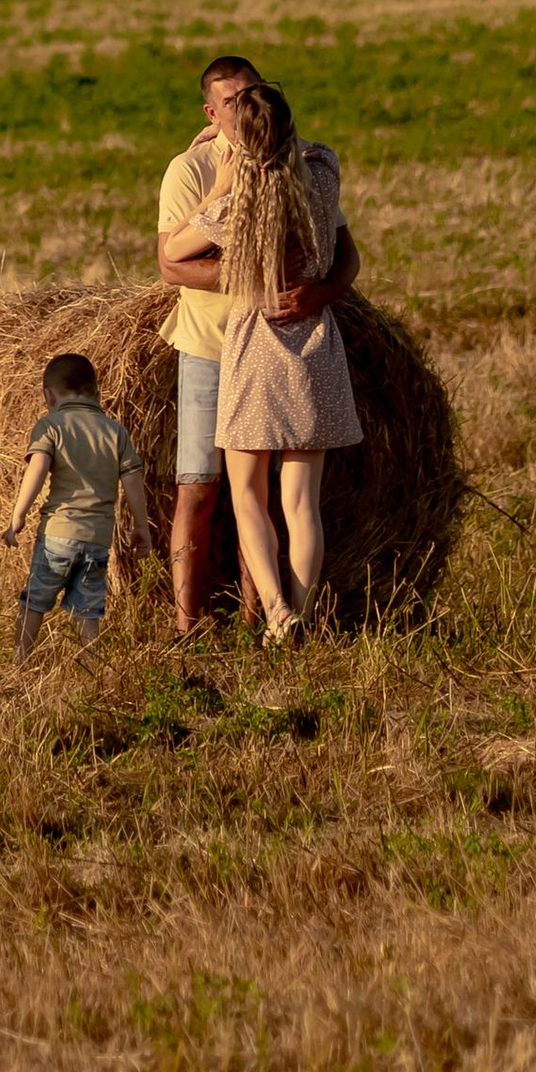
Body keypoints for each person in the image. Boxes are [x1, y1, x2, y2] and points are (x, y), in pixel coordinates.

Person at [157, 53, 360, 640]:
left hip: (256, 351)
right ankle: (297, 614)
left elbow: (173, 255)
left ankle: (275, 612)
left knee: (246, 491)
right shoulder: (321, 173)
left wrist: (228, 172)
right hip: (317, 349)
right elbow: (314, 152)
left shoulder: (236, 201)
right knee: (302, 503)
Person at [3, 350, 151, 654]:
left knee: (34, 602)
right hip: (98, 538)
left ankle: (20, 661)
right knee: (88, 610)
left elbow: (38, 467)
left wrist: (18, 515)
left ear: (48, 395)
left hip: (58, 534)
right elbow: (133, 481)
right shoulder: (115, 431)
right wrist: (141, 526)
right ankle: (93, 669)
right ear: (97, 393)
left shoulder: (51, 425)